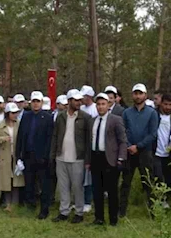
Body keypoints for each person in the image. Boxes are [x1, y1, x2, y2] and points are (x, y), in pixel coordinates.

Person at [51, 89, 92, 223]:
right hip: (61, 157)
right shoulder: (60, 116)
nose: (79, 102)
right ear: (69, 101)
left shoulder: (85, 117)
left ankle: (79, 212)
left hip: (77, 158)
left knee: (77, 187)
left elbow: (88, 140)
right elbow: (55, 136)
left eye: (80, 100)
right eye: (76, 100)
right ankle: (64, 211)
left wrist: (87, 159)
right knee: (63, 186)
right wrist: (53, 155)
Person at [120, 84, 159, 218]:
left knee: (148, 182)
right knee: (125, 182)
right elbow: (123, 131)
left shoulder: (152, 113)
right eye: (135, 93)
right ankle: (121, 212)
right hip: (129, 152)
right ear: (132, 95)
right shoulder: (126, 112)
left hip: (145, 152)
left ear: (145, 95)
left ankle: (154, 212)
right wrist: (130, 146)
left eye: (140, 93)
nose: (137, 96)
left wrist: (139, 146)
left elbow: (153, 133)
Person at [89, 93, 127, 226]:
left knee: (112, 191)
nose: (100, 107)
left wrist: (121, 158)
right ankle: (99, 218)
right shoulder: (93, 121)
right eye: (98, 104)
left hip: (110, 159)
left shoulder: (115, 120)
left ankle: (113, 219)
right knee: (97, 190)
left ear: (108, 105)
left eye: (103, 104)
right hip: (95, 158)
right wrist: (88, 160)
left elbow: (122, 141)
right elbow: (90, 141)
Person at [16, 91, 55, 219]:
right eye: (34, 101)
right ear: (30, 103)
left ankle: (44, 209)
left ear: (42, 103)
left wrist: (47, 156)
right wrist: (19, 156)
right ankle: (31, 205)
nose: (36, 104)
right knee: (29, 183)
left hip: (42, 158)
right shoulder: (26, 117)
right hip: (28, 155)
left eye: (38, 101)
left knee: (44, 185)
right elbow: (20, 137)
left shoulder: (48, 117)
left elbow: (50, 139)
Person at [0, 102, 24, 210]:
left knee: (16, 179)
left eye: (16, 112)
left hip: (16, 155)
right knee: (6, 180)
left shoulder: (19, 124)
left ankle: (15, 203)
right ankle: (7, 203)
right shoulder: (1, 125)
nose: (15, 115)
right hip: (5, 156)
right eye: (13, 113)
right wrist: (3, 139)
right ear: (7, 114)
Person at [153, 93, 171, 208]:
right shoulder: (154, 114)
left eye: (170, 104)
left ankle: (169, 197)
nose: (167, 107)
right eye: (165, 104)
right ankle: (160, 199)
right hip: (156, 152)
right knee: (158, 176)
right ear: (161, 103)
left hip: (169, 152)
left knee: (168, 176)